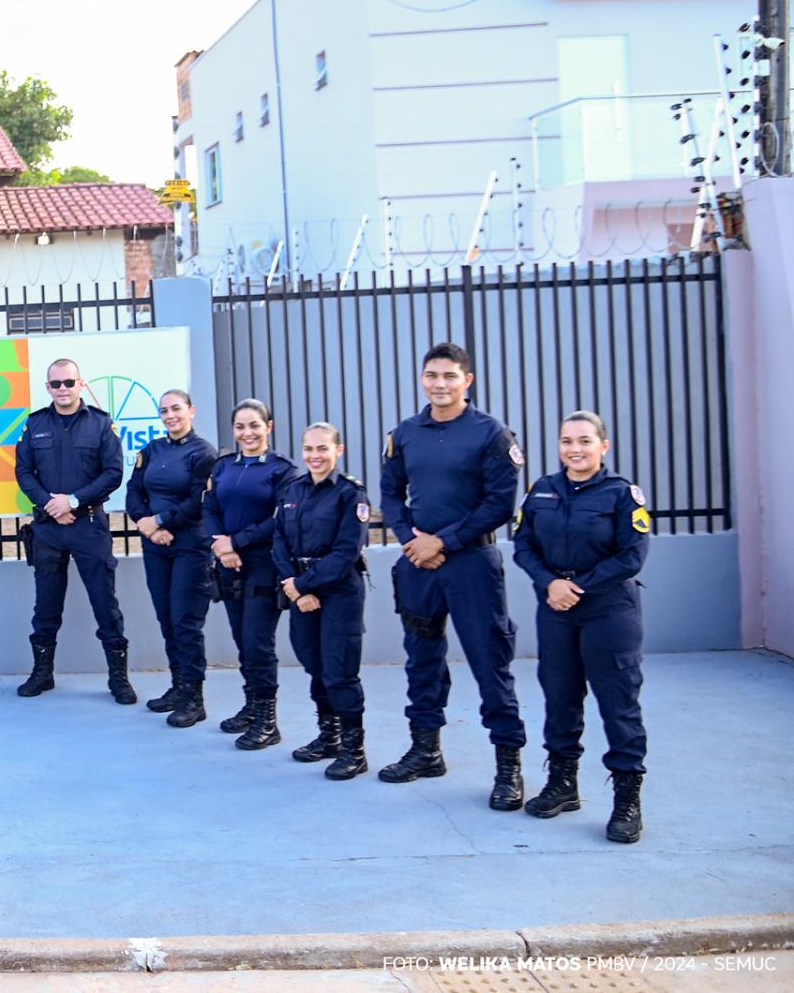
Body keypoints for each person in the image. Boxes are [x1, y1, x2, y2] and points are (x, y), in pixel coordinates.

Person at [379, 341, 529, 809]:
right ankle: (426, 751)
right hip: (419, 565)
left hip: (470, 566)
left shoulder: (491, 434)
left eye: (448, 376)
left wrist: (441, 542)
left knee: (490, 661)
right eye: (431, 376)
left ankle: (509, 769)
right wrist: (411, 540)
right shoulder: (405, 433)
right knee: (421, 659)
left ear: (467, 380)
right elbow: (389, 495)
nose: (439, 384)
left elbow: (499, 506)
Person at [512, 410, 650, 843]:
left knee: (618, 703)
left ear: (603, 446)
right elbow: (523, 545)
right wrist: (551, 583)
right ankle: (562, 785)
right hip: (555, 608)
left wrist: (576, 587)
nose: (575, 448)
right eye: (567, 440)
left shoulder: (622, 494)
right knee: (560, 696)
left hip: (608, 611)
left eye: (585, 441)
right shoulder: (542, 491)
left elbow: (632, 556)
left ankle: (627, 801)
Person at [13, 358, 134, 705]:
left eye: (69, 382)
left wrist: (74, 502)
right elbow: (24, 472)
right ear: (47, 387)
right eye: (56, 384)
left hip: (89, 526)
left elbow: (113, 473)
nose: (62, 389)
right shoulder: (35, 424)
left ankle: (118, 678)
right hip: (49, 529)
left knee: (105, 604)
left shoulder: (99, 424)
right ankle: (42, 673)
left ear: (81, 384)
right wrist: (52, 505)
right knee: (46, 607)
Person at [274, 424, 372, 780]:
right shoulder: (293, 490)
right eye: (308, 449)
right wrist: (296, 587)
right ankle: (328, 736)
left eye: (322, 449)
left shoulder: (351, 494)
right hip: (302, 590)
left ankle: (353, 749)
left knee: (339, 669)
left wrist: (302, 585)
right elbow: (280, 541)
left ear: (338, 450)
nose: (315, 455)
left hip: (338, 591)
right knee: (312, 661)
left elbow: (347, 551)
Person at [201, 398, 298, 748]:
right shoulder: (223, 467)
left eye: (255, 425)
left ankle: (268, 722)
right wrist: (220, 545)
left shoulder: (283, 471)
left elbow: (280, 520)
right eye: (240, 426)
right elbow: (209, 507)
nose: (247, 433)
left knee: (258, 643)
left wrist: (235, 542)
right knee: (243, 641)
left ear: (268, 427)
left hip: (262, 565)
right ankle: (252, 707)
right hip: (228, 565)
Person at [126, 389, 218, 726]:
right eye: (164, 410)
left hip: (189, 548)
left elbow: (199, 502)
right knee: (166, 619)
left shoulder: (203, 453)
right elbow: (133, 491)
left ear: (191, 411)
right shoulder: (152, 450)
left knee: (186, 622)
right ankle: (178, 688)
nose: (170, 416)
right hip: (156, 548)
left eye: (176, 409)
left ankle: (195, 698)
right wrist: (147, 526)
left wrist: (162, 522)